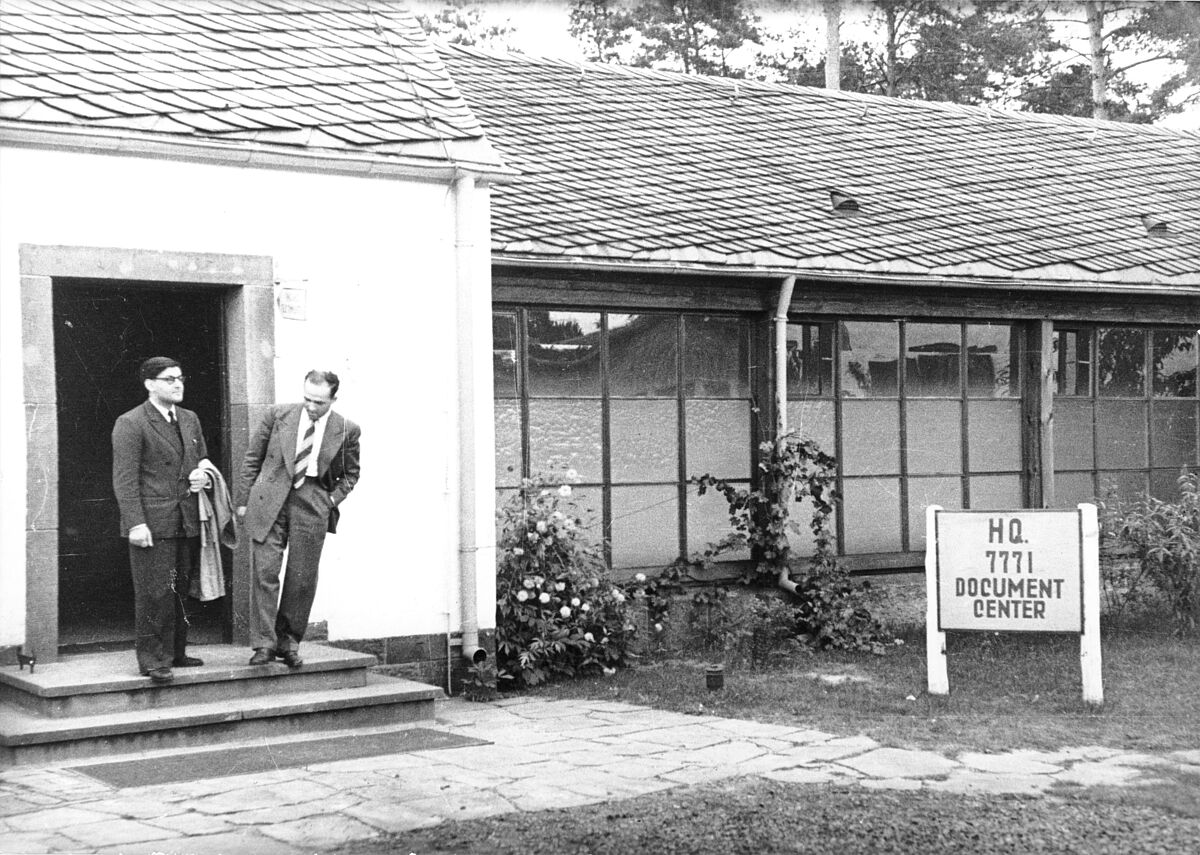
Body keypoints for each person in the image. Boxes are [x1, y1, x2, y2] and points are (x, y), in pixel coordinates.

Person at [235, 370, 361, 668]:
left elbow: (351, 473)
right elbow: (253, 457)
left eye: (318, 401)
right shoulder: (277, 415)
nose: (311, 406)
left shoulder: (347, 429)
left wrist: (330, 501)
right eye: (307, 398)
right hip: (269, 499)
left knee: (302, 577)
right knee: (265, 572)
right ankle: (263, 645)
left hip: (313, 499)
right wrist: (242, 502)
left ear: (333, 399)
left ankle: (288, 642)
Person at [112, 357, 212, 684]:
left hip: (185, 517)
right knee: (155, 593)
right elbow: (124, 480)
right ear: (149, 384)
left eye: (180, 378)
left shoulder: (190, 419)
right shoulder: (131, 422)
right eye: (169, 379)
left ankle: (176, 652)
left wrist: (202, 476)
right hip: (152, 522)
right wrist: (135, 523)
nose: (178, 384)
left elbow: (201, 461)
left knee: (180, 589)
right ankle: (154, 660)